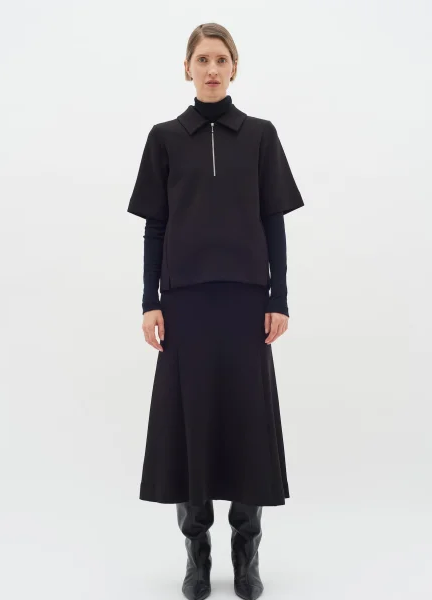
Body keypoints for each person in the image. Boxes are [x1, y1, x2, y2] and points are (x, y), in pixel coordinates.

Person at [127, 22, 304, 600]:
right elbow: (156, 226)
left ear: (234, 68)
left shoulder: (260, 135)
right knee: (191, 425)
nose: (211, 69)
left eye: (221, 59)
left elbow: (273, 221)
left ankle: (246, 554)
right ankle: (197, 556)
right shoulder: (163, 138)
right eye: (202, 59)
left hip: (246, 302)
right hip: (185, 304)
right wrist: (150, 300)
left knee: (248, 424)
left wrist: (278, 297)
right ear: (187, 68)